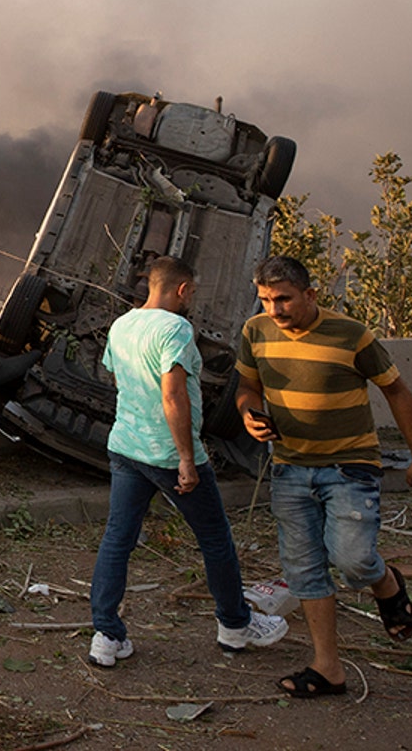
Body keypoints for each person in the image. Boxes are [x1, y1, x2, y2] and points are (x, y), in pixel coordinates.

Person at [235, 255, 412, 699]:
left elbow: (396, 390)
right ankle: (328, 668)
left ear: (310, 294)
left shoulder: (352, 334)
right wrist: (249, 413)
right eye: (266, 299)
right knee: (304, 568)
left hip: (350, 466)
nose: (275, 309)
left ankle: (386, 582)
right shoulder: (255, 331)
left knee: (353, 561)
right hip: (289, 468)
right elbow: (247, 388)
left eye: (284, 299)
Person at [87, 257, 288, 667]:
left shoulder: (122, 324)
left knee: (117, 540)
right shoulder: (176, 329)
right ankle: (235, 625)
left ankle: (106, 635)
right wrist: (185, 459)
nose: (191, 300)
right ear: (181, 290)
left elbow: (117, 377)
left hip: (126, 447)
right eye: (191, 293)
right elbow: (173, 395)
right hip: (166, 452)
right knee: (215, 539)